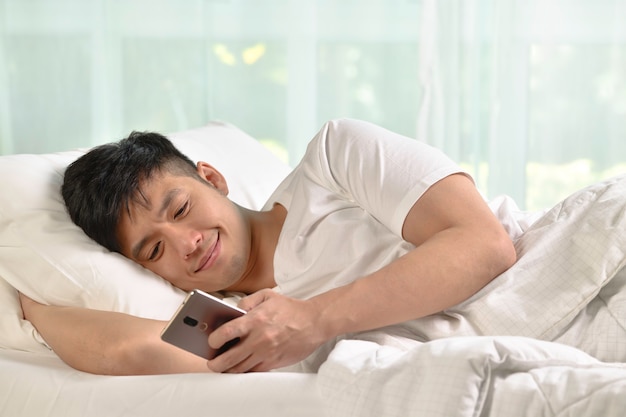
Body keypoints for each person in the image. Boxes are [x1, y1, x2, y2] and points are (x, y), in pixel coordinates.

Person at [19, 118, 516, 375]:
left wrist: (314, 319)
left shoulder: (334, 160)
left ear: (211, 178)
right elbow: (127, 350)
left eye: (180, 209)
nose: (186, 244)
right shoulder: (233, 322)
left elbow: (484, 244)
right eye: (152, 251)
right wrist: (30, 306)